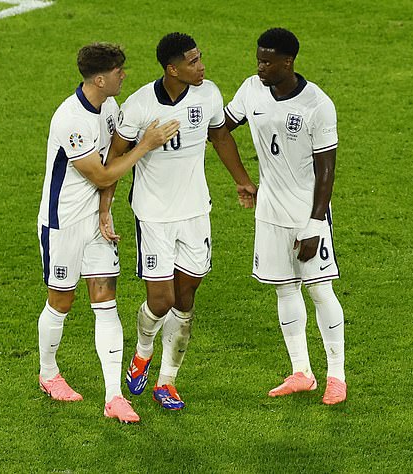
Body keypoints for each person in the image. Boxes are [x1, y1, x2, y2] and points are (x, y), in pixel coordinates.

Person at [100, 32, 257, 410]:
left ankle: (166, 382)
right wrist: (106, 207)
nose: (202, 66)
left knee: (185, 300)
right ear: (173, 69)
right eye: (193, 61)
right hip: (153, 216)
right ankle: (141, 353)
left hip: (195, 214)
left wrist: (242, 180)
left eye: (200, 58)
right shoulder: (138, 106)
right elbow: (114, 159)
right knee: (161, 299)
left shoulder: (208, 95)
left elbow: (220, 137)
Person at [36, 42, 179, 423]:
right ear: (100, 78)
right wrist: (146, 145)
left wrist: (104, 210)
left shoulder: (111, 108)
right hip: (62, 223)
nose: (124, 75)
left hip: (96, 224)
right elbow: (100, 173)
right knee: (61, 303)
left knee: (105, 301)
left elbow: (113, 157)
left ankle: (114, 397)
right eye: (119, 71)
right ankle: (48, 374)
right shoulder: (71, 120)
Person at [224, 28, 347, 405]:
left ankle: (336, 375)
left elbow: (326, 170)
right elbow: (221, 129)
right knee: (284, 288)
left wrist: (314, 224)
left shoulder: (317, 105)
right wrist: (243, 180)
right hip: (270, 213)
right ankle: (301, 371)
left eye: (267, 61)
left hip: (307, 214)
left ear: (288, 62)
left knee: (320, 289)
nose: (259, 66)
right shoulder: (251, 89)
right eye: (258, 59)